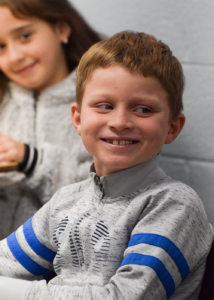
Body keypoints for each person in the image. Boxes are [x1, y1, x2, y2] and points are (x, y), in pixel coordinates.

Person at [0, 30, 213, 300]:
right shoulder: (68, 200)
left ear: (172, 127)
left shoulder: (174, 204)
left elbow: (124, 297)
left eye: (143, 109)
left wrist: (22, 292)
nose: (120, 121)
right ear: (77, 119)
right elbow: (5, 261)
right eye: (104, 106)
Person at [0, 0, 101, 239]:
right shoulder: (4, 99)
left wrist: (30, 159)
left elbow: (103, 196)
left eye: (25, 36)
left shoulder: (102, 103)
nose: (15, 56)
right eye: (0, 46)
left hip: (65, 264)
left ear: (61, 29)